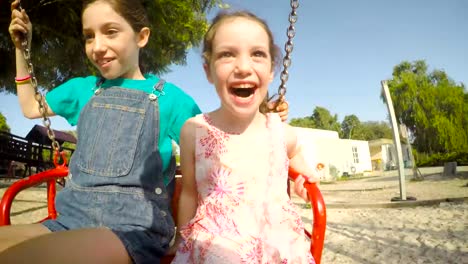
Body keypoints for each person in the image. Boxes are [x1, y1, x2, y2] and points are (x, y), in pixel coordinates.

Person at [1, 1, 289, 263]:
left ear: (142, 37)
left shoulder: (171, 99)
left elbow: (218, 142)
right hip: (68, 218)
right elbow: (29, 106)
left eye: (110, 32)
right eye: (90, 36)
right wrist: (20, 49)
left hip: (134, 229)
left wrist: (262, 116)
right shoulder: (81, 89)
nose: (97, 46)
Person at [171, 11, 318, 263]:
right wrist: (182, 242)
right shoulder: (194, 130)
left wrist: (305, 176)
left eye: (257, 54)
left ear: (272, 71)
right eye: (227, 54)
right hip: (217, 241)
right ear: (208, 71)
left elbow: (294, 156)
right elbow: (188, 193)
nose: (243, 67)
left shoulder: (281, 132)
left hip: (279, 246)